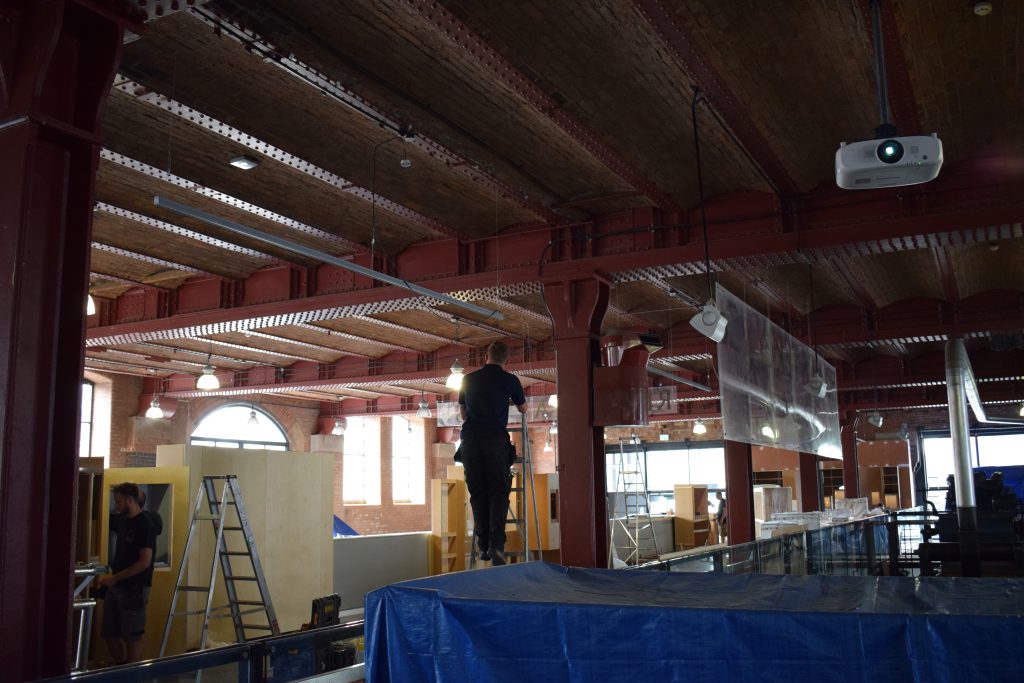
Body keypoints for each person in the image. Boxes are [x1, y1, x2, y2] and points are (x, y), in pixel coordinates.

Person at [458, 341, 526, 566]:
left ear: (485, 355)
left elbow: (462, 414)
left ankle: (482, 546)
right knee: (498, 492)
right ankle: (496, 545)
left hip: (470, 440)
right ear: (507, 360)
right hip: (494, 440)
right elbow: (523, 408)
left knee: (478, 493)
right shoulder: (510, 380)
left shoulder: (467, 379)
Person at [99, 482, 158, 664]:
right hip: (117, 586)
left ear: (130, 501)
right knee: (110, 632)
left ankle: (131, 674)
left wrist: (115, 578)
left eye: (118, 502)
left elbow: (144, 562)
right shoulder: (123, 521)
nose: (116, 505)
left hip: (134, 588)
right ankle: (121, 667)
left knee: (132, 635)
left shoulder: (145, 525)